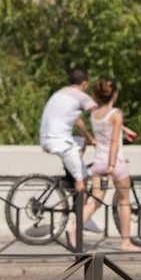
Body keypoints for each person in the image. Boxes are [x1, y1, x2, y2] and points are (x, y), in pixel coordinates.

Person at [38, 67, 101, 245]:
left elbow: (77, 121)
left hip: (47, 138)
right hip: (60, 141)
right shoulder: (81, 96)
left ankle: (69, 178)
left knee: (80, 142)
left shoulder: (61, 93)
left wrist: (89, 139)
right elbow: (99, 114)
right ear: (85, 83)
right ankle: (82, 218)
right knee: (83, 177)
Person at [87, 78, 140, 250]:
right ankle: (126, 242)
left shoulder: (94, 115)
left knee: (94, 202)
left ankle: (73, 228)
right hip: (114, 164)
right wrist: (112, 165)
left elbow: (109, 124)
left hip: (98, 164)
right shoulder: (116, 113)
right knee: (124, 200)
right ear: (115, 95)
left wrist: (125, 129)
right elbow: (114, 141)